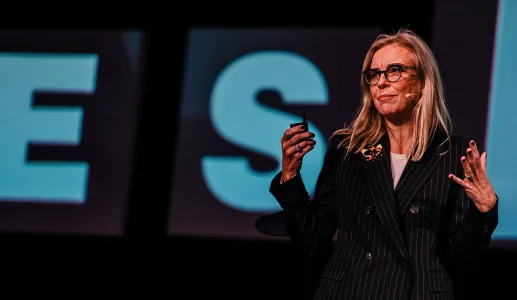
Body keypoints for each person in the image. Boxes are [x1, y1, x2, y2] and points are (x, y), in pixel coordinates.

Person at [256, 29, 499, 300]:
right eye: (374, 74)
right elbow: (315, 244)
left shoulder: (454, 154)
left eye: (395, 70)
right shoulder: (347, 149)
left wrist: (483, 211)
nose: (381, 82)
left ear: (422, 83)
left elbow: (461, 259)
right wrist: (290, 178)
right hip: (350, 291)